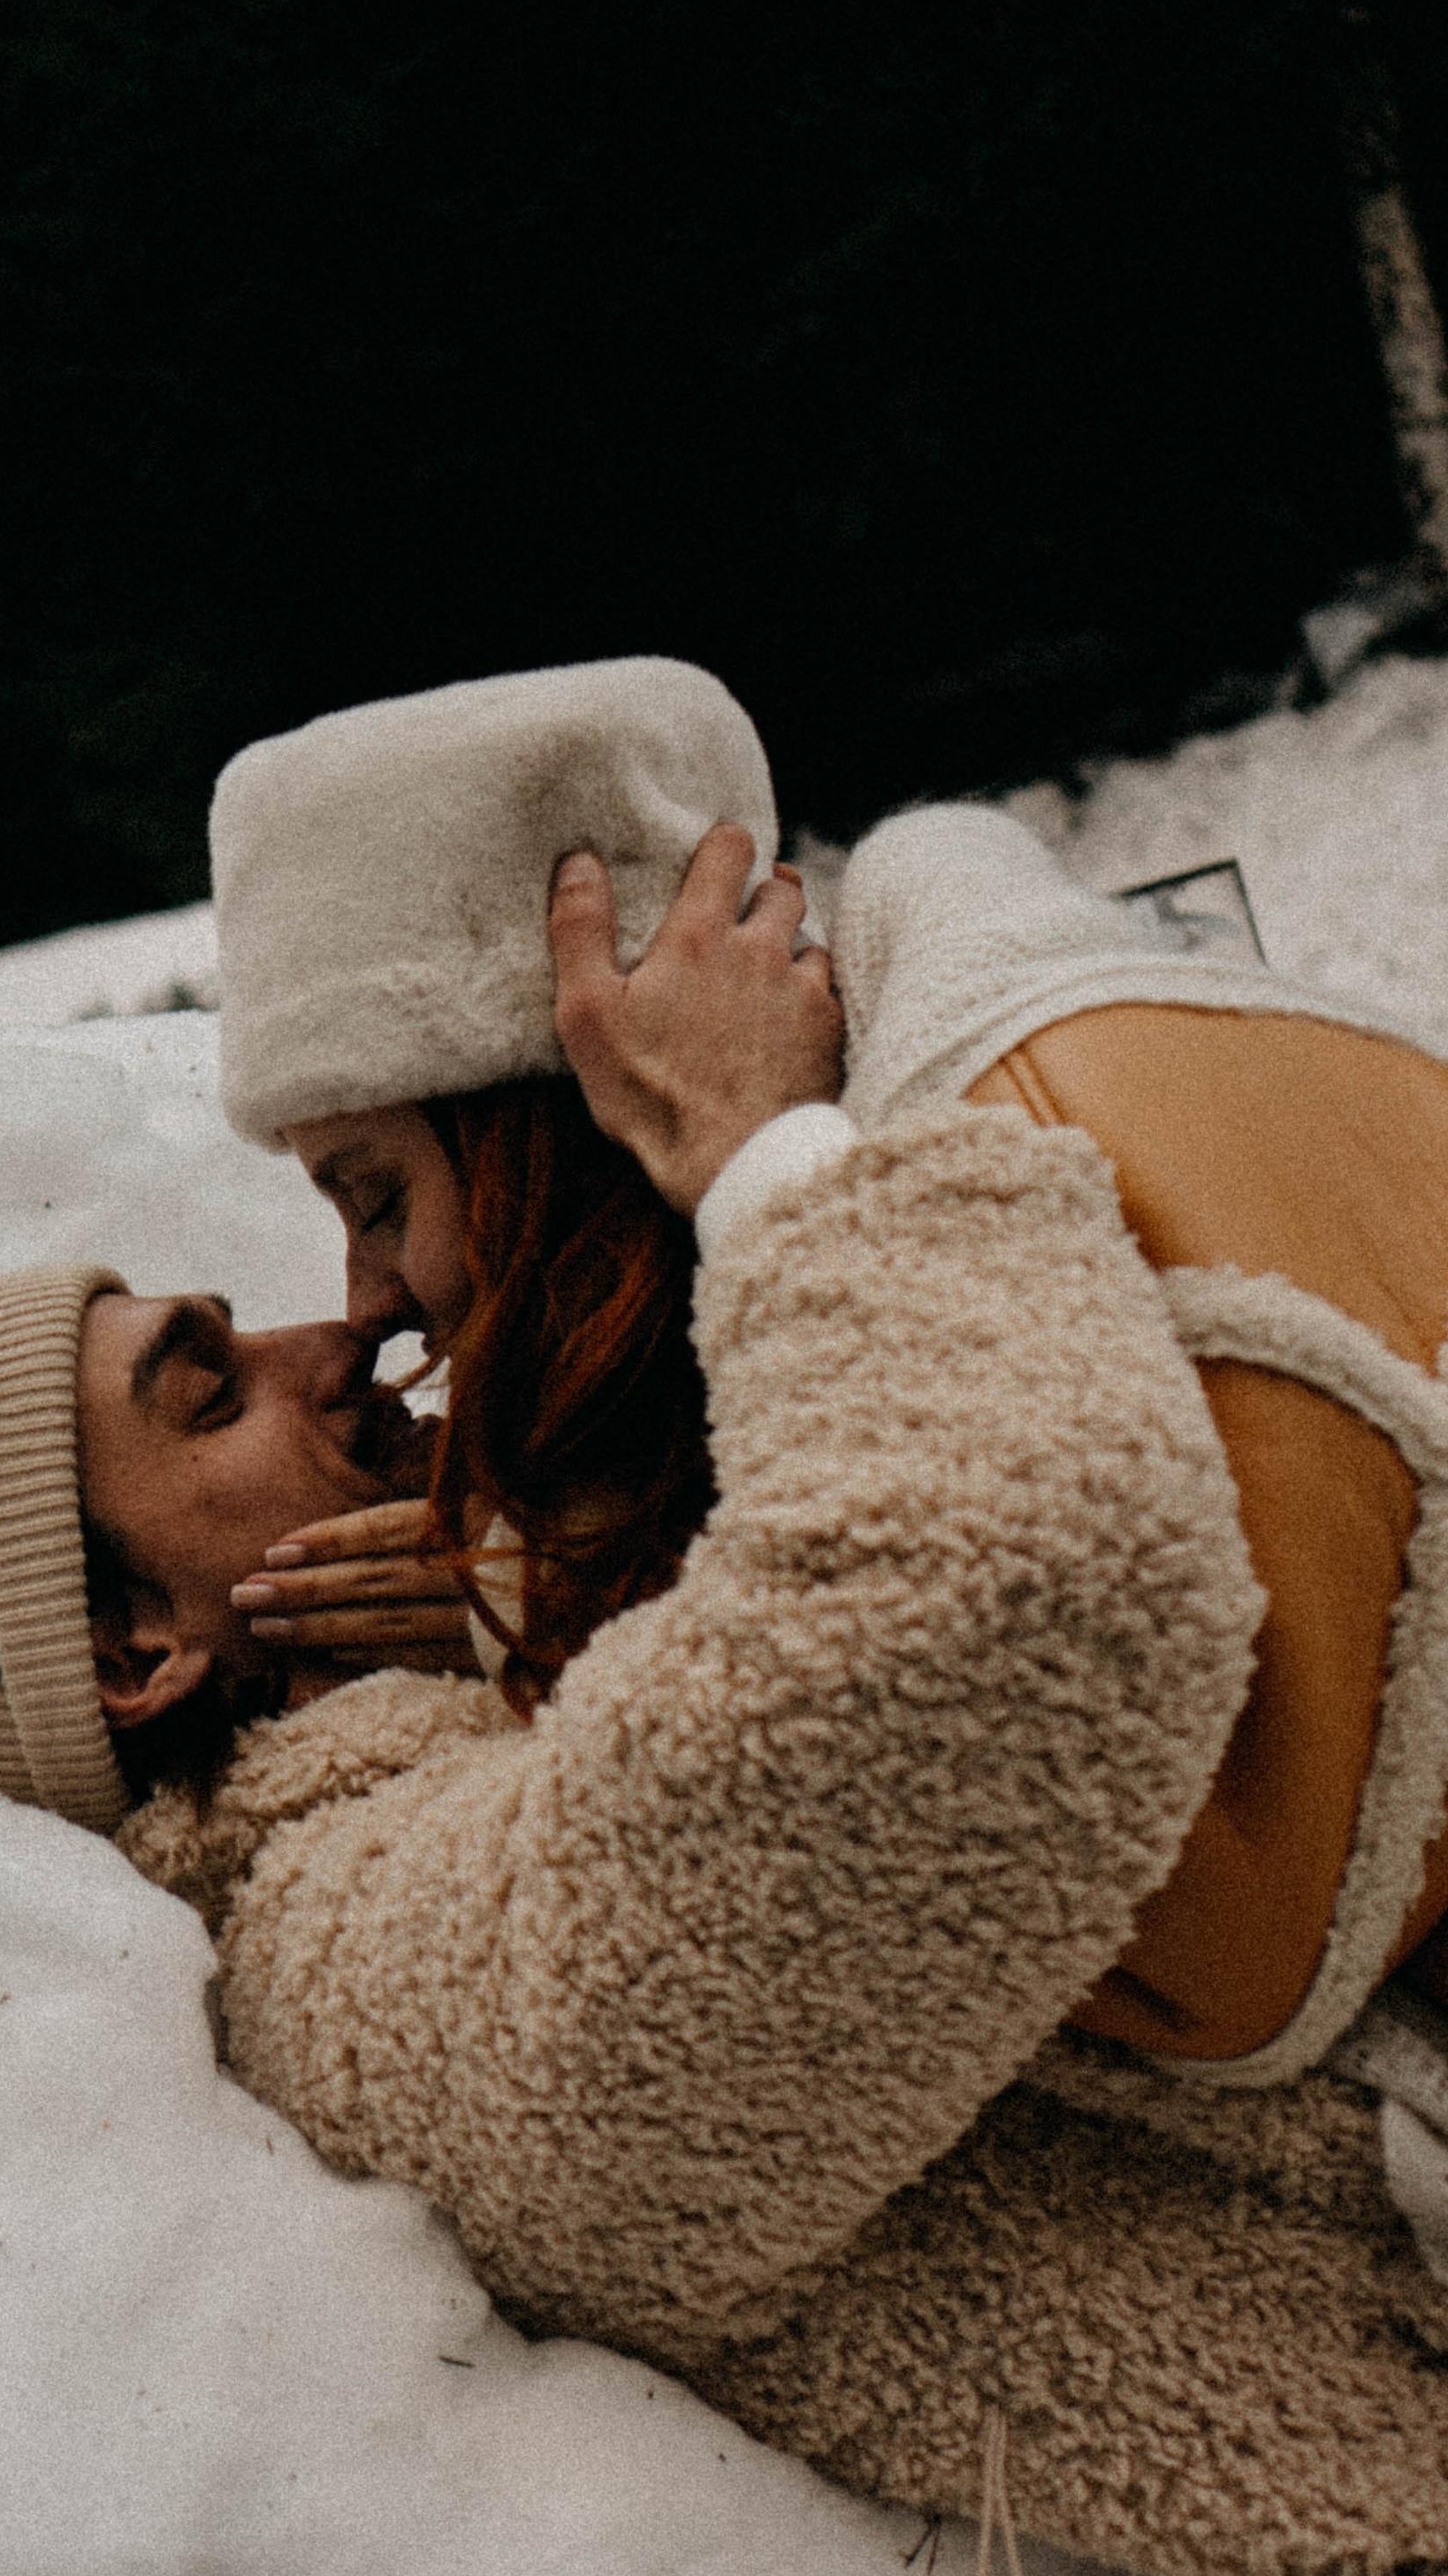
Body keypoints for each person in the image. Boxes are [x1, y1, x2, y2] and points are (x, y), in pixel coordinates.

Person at [0, 872, 1448, 2576]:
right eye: (207, 1392)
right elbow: (998, 1605)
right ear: (135, 1654)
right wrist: (770, 1156)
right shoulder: (358, 1958)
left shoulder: (485, 1670)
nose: (350, 1337)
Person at [207, 654, 1448, 2087]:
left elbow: (1215, 1937)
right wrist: (592, 1568)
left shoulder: (1040, 1139)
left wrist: (761, 1170)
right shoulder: (933, 1178)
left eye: (374, 1197)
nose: (362, 1307)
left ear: (553, 1134)